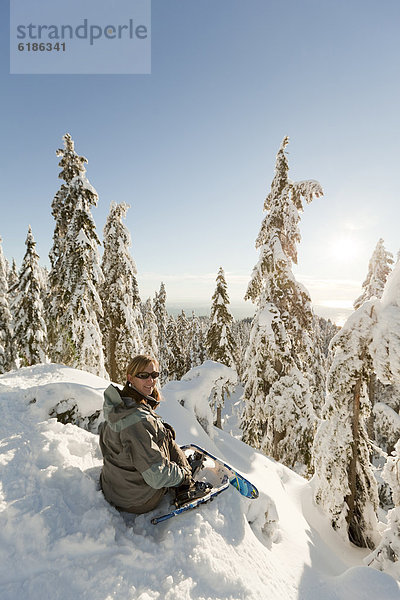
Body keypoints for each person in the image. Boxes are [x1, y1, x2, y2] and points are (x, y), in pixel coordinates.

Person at [99, 354, 211, 514]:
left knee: (163, 431)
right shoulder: (138, 421)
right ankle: (186, 487)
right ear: (130, 377)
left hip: (114, 487)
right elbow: (156, 476)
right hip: (137, 499)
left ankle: (178, 468)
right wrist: (182, 476)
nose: (151, 381)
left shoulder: (118, 406)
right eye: (143, 376)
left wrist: (158, 430)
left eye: (154, 375)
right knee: (166, 436)